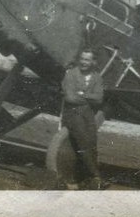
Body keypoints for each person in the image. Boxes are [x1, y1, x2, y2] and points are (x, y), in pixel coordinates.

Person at [61, 49, 105, 189]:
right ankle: (96, 176)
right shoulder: (71, 74)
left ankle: (84, 178)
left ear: (93, 62)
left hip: (88, 115)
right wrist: (88, 96)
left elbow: (99, 99)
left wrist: (82, 94)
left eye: (87, 60)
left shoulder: (97, 77)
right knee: (83, 140)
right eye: (82, 59)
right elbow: (70, 97)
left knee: (92, 142)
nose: (83, 62)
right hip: (72, 114)